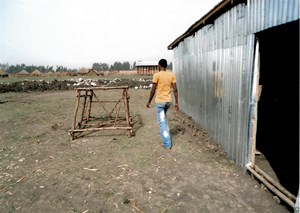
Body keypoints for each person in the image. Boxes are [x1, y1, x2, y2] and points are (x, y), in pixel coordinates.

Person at [146, 59, 179, 149]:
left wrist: (149, 101)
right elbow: (175, 90)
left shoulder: (156, 75)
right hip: (168, 102)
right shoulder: (171, 75)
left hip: (160, 102)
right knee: (163, 118)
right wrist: (177, 103)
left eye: (158, 65)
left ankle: (167, 144)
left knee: (162, 123)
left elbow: (153, 90)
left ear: (159, 65)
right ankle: (166, 134)